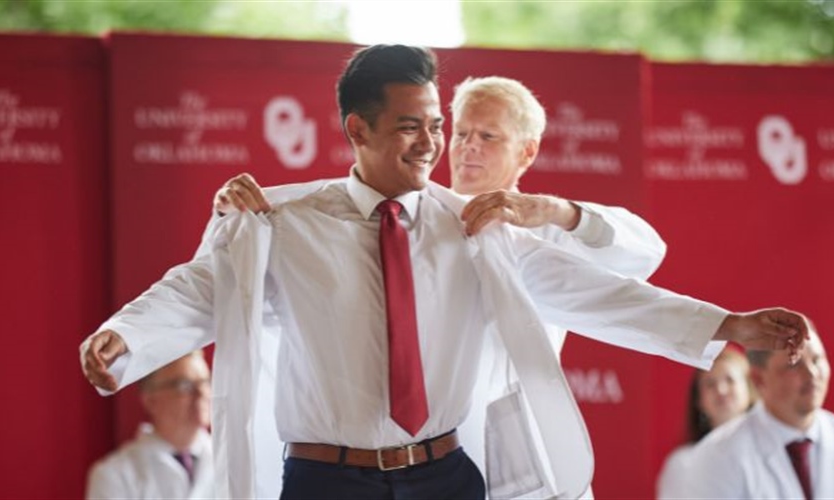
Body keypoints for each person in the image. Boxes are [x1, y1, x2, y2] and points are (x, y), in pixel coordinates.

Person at [80, 44, 809, 499]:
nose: (434, 144)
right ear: (356, 130)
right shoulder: (284, 225)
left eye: (439, 124)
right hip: (329, 482)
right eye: (414, 126)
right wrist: (126, 335)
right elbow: (198, 287)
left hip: (451, 477)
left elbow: (599, 291)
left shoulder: (477, 228)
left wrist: (727, 326)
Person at [213, 75, 667, 499]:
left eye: (488, 137)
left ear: (527, 153)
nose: (469, 148)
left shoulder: (545, 233)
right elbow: (252, 280)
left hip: (519, 455)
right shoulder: (410, 223)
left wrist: (560, 212)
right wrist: (233, 218)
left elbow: (644, 252)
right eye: (463, 132)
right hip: (414, 460)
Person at [683, 326, 834, 498]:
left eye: (818, 360)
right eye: (794, 364)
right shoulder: (717, 455)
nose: (811, 374)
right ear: (758, 380)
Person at [86, 351, 213, 499]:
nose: (201, 393)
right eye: (185, 385)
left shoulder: (234, 458)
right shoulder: (114, 474)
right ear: (150, 400)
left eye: (205, 382)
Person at [656, 347, 755, 498]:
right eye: (710, 384)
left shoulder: (776, 451)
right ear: (698, 401)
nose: (721, 390)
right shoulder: (683, 463)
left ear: (749, 388)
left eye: (730, 380)